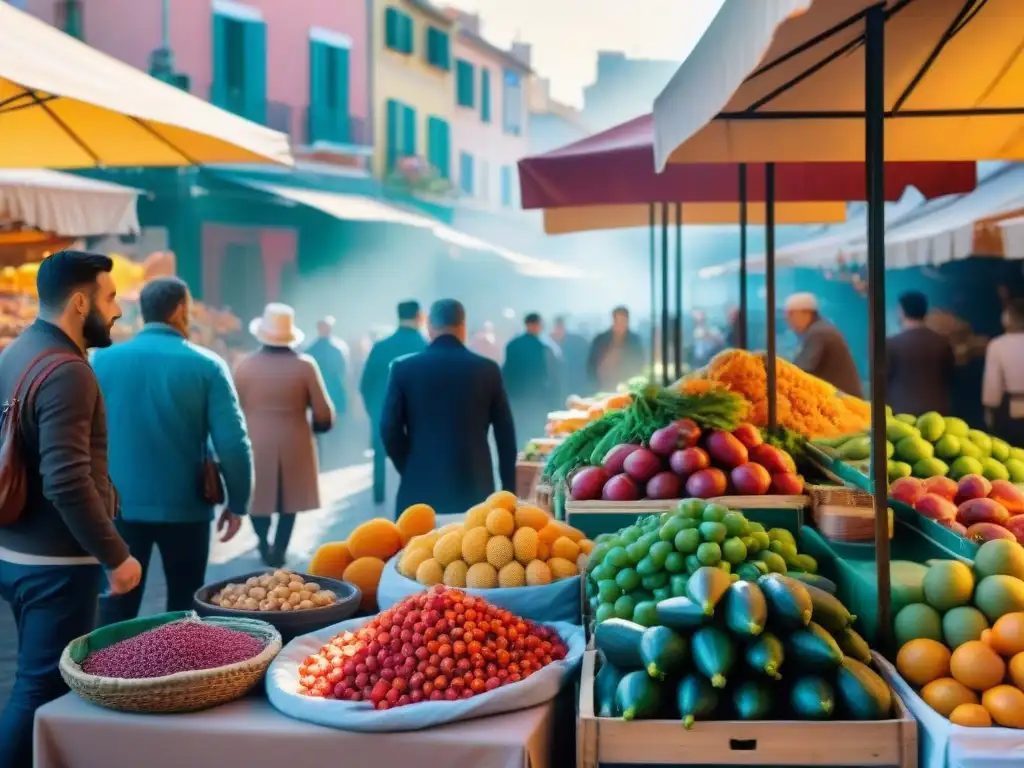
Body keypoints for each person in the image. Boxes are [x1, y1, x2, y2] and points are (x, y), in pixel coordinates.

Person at [0, 250, 140, 768]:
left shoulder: (16, 351)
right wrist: (116, 555)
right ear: (80, 303)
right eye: (110, 297)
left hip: (18, 553)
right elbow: (65, 479)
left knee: (37, 686)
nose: (119, 309)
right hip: (57, 567)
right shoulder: (69, 372)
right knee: (40, 693)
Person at [92, 277, 253, 626]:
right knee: (183, 605)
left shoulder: (101, 361)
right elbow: (233, 442)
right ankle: (173, 677)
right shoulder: (207, 365)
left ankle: (105, 675)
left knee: (118, 599)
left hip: (117, 504)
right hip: (186, 509)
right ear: (180, 309)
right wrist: (238, 502)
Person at [380, 299, 517, 518]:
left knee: (418, 551)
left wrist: (410, 466)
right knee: (471, 551)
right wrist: (510, 491)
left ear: (429, 327)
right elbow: (505, 436)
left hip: (419, 490)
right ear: (463, 327)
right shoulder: (487, 370)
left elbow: (389, 429)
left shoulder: (403, 368)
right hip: (474, 488)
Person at [234, 303, 334, 566]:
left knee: (258, 499)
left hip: (256, 441)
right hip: (295, 441)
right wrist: (319, 427)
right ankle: (279, 549)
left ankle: (263, 543)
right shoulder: (305, 365)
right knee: (290, 502)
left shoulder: (245, 366)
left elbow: (233, 407)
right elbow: (323, 412)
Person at [359, 301, 427, 505]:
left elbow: (365, 384)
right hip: (416, 413)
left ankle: (378, 495)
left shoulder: (380, 347)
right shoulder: (425, 346)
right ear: (419, 316)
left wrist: (373, 411)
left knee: (379, 454)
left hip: (382, 409)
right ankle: (416, 499)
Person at [887, 291, 956, 416]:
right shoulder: (943, 342)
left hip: (901, 412)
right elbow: (950, 376)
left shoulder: (891, 344)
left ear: (901, 311)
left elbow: (883, 379)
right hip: (937, 412)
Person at [784, 292, 864, 397]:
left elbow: (801, 371)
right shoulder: (819, 329)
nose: (788, 320)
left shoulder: (819, 333)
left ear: (806, 313)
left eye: (791, 314)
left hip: (844, 405)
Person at [502, 313, 560, 440]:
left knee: (520, 432)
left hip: (517, 397)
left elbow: (506, 373)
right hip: (536, 398)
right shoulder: (543, 347)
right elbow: (551, 374)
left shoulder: (513, 345)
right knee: (536, 432)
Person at [305, 316, 350, 469]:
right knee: (328, 431)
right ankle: (330, 461)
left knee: (325, 431)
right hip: (331, 394)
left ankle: (327, 461)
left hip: (325, 394)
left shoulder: (313, 349)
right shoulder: (337, 348)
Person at [983, 298, 1024, 446]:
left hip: (1010, 413)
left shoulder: (998, 344)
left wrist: (989, 411)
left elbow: (992, 386)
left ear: (1010, 317)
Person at [587, 306, 646, 391]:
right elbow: (591, 365)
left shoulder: (635, 342)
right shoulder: (600, 340)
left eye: (623, 321)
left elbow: (640, 363)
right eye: (618, 320)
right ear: (613, 320)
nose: (621, 324)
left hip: (628, 388)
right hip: (603, 387)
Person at [550, 315, 589, 398]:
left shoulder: (577, 341)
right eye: (557, 327)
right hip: (561, 386)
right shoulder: (551, 343)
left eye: (560, 327)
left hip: (577, 383)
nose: (558, 330)